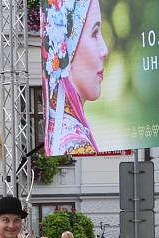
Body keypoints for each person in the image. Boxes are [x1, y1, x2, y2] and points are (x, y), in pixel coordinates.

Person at [42, 0, 107, 155]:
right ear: (69, 45)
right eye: (95, 33)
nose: (104, 50)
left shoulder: (60, 128)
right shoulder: (75, 144)